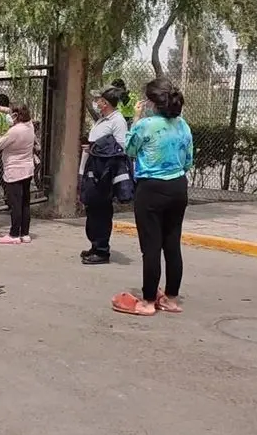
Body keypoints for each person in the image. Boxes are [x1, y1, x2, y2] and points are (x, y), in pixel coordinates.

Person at [111, 78, 193, 317]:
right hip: (178, 186)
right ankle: (171, 298)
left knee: (151, 246)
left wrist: (135, 119)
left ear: (151, 101)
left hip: (151, 188)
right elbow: (188, 161)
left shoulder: (146, 125)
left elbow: (130, 150)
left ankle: (147, 301)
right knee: (172, 243)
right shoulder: (183, 126)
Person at [80, 85, 130, 264]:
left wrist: (95, 148)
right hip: (92, 168)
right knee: (92, 209)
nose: (96, 103)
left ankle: (102, 250)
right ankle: (95, 245)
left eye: (99, 100)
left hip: (104, 174)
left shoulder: (118, 121)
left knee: (101, 211)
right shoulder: (103, 119)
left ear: (106, 103)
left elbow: (121, 147)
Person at [0, 104, 37, 244]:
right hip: (27, 169)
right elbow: (10, 110)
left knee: (15, 203)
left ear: (16, 116)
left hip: (14, 170)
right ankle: (25, 233)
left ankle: (14, 234)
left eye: (12, 114)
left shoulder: (15, 131)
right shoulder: (30, 126)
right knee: (25, 203)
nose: (9, 116)